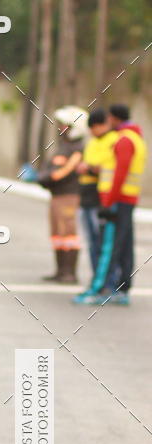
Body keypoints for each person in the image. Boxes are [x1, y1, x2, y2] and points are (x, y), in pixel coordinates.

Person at [74, 103, 147, 306]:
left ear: (114, 119)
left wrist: (108, 201)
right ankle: (123, 290)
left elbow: (119, 174)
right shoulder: (136, 138)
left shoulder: (123, 140)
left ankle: (101, 290)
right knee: (124, 246)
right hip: (128, 199)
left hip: (117, 199)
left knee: (110, 247)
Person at [39, 106, 86, 284]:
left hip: (68, 195)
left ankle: (69, 272)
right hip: (57, 195)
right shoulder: (65, 146)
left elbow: (62, 172)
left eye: (64, 125)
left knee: (68, 233)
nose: (60, 128)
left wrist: (44, 178)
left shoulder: (77, 148)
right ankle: (60, 270)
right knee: (58, 233)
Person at [76, 109, 117, 274]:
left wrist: (90, 168)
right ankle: (96, 279)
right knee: (92, 242)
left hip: (99, 197)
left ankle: (106, 281)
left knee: (101, 241)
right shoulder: (93, 141)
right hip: (86, 197)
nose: (92, 132)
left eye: (93, 128)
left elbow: (108, 167)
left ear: (100, 125)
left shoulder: (113, 140)